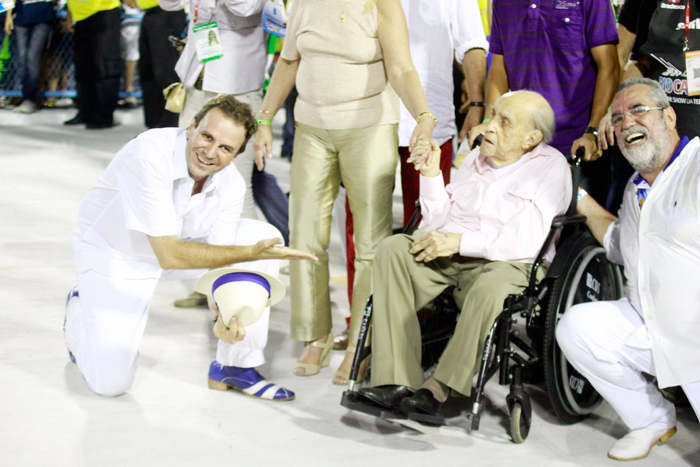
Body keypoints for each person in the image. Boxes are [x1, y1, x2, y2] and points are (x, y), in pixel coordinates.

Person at [64, 95, 317, 399]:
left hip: (179, 248)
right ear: (191, 127)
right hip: (115, 257)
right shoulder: (148, 155)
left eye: (225, 148)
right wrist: (250, 253)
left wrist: (225, 318)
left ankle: (235, 366)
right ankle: (80, 308)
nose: (210, 153)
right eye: (207, 137)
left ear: (236, 155)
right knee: (111, 385)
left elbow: (219, 266)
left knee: (264, 237)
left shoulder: (231, 184)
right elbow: (169, 255)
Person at [253, 0, 435, 386]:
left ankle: (360, 342)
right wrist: (265, 118)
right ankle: (315, 333)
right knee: (304, 235)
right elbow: (288, 62)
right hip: (311, 127)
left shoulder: (382, 4)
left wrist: (423, 116)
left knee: (370, 242)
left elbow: (401, 69)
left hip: (368, 127)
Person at [355, 91, 571, 415]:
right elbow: (436, 220)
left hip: (509, 263)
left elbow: (526, 240)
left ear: (532, 138)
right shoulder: (475, 158)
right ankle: (398, 380)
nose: (490, 126)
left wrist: (459, 243)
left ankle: (439, 388)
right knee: (393, 249)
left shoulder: (552, 169)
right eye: (493, 115)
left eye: (504, 122)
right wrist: (430, 177)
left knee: (490, 288)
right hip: (451, 252)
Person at [556, 78, 700, 462]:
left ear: (669, 116)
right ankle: (651, 420)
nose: (626, 123)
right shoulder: (635, 188)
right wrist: (578, 198)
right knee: (576, 327)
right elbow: (620, 243)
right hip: (656, 332)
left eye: (639, 110)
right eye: (617, 118)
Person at [470, 0, 619, 202]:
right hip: (520, 147)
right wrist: (490, 122)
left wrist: (592, 131)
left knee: (576, 229)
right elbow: (499, 67)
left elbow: (609, 66)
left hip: (576, 149)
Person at [160, 0, 265, 221]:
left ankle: (244, 254)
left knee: (235, 184)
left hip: (237, 90)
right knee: (183, 176)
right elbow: (168, 3)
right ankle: (184, 248)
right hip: (196, 84)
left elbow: (245, 7)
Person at [63, 0, 121, 129]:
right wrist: (70, 14)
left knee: (105, 66)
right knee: (83, 68)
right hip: (81, 17)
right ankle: (85, 113)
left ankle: (104, 116)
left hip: (103, 13)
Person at [4, 0, 55, 114]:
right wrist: (9, 16)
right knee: (22, 60)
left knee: (32, 58)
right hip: (22, 15)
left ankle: (30, 100)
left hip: (42, 15)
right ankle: (24, 97)